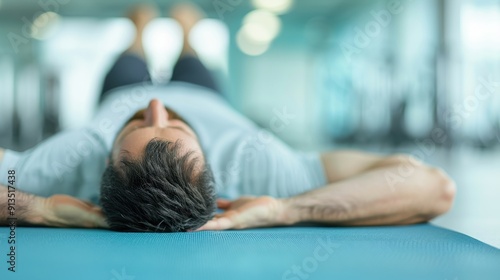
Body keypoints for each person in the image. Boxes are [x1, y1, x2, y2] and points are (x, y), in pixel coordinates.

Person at [0, 4, 456, 232]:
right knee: (194, 56)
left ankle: (141, 25)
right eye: (173, 127)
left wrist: (38, 208)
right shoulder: (258, 166)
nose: (157, 107)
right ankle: (184, 28)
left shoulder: (61, 166)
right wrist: (286, 210)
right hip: (203, 94)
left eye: (138, 127)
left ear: (101, 167)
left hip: (124, 93)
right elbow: (434, 187)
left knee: (130, 57)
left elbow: (433, 188)